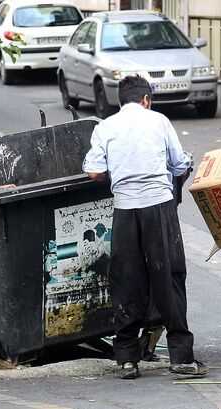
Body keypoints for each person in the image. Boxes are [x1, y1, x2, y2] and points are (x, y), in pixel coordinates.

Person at [83, 75, 207, 380]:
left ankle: (126, 358)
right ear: (146, 99)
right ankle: (181, 358)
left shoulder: (105, 126)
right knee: (170, 278)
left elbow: (94, 171)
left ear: (120, 100)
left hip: (125, 211)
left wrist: (120, 174)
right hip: (159, 208)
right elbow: (180, 164)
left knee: (127, 281)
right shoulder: (159, 121)